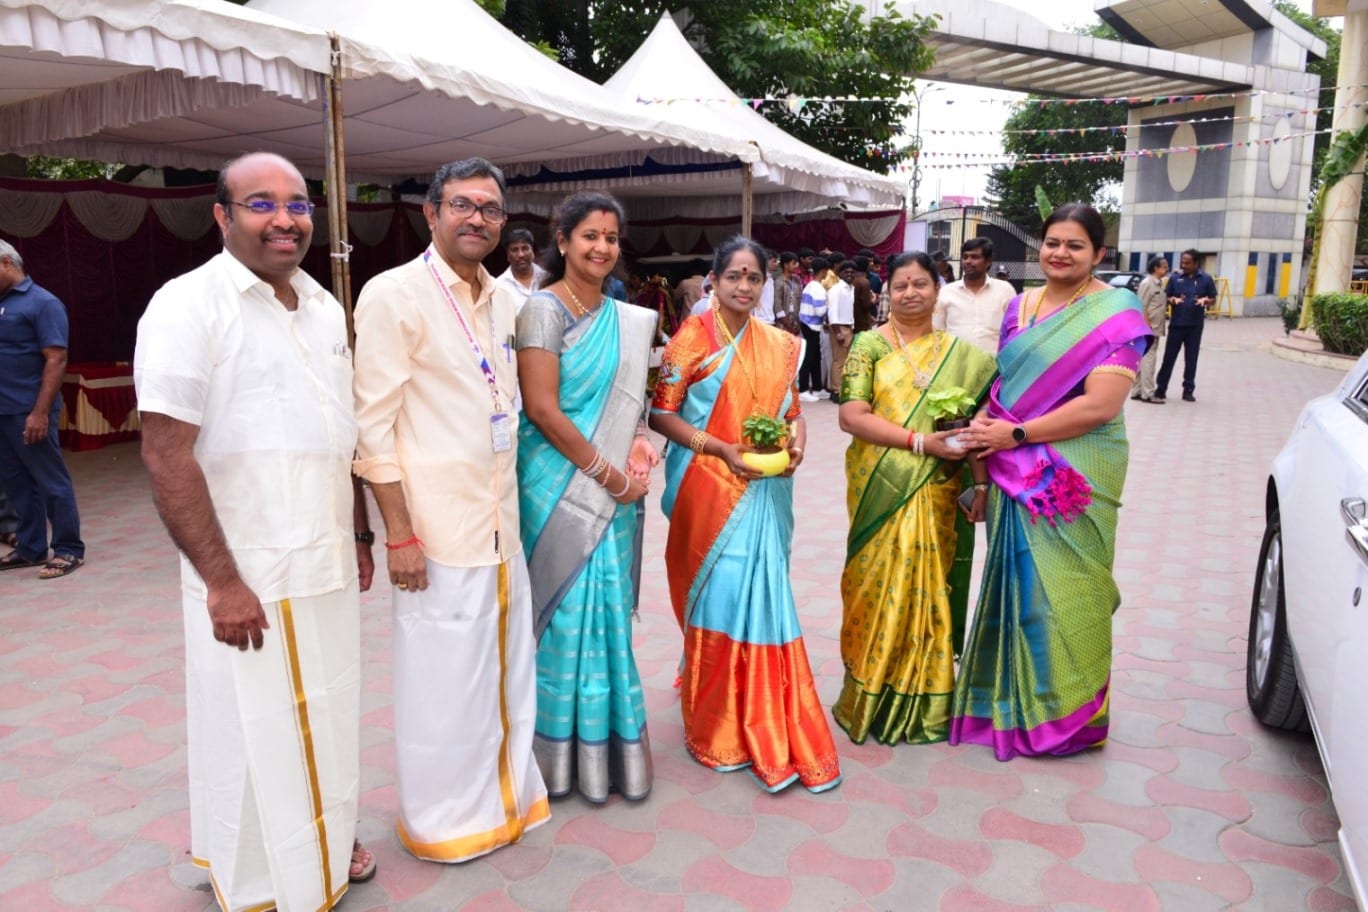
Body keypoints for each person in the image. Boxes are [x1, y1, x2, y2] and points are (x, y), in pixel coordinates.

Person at [135, 152, 375, 911]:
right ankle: (279, 879)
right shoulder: (187, 304)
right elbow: (166, 453)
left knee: (327, 715)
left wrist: (360, 534)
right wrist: (222, 580)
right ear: (222, 215)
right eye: (261, 204)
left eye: (297, 205)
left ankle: (328, 842)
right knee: (253, 724)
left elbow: (338, 435)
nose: (284, 220)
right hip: (249, 573)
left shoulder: (324, 306)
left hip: (325, 559)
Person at [352, 158, 548, 860]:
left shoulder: (506, 300)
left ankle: (505, 801)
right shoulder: (393, 294)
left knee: (503, 674)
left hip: (500, 524)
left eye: (490, 209)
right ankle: (441, 822)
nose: (477, 219)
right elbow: (372, 429)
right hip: (436, 533)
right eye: (462, 204)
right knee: (442, 685)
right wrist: (398, 534)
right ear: (431, 213)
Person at [952, 204, 1152, 761]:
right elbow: (1007, 386)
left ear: (1099, 254)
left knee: (1072, 587)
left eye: (1075, 245)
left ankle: (1071, 718)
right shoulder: (1021, 306)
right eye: (1052, 243)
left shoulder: (1115, 311)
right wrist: (987, 433)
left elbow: (1100, 405)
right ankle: (1012, 705)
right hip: (1011, 466)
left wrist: (1014, 434)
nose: (1060, 253)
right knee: (1020, 585)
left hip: (1077, 463)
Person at [649, 235, 842, 793]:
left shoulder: (778, 343)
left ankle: (756, 707)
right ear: (714, 280)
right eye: (733, 275)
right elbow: (661, 415)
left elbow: (791, 413)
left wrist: (797, 448)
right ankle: (716, 717)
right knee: (722, 595)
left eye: (753, 277)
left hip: (766, 489)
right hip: (707, 487)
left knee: (762, 596)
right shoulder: (690, 338)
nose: (743, 286)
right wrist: (719, 450)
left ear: (763, 284)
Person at [516, 190, 660, 803]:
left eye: (611, 237)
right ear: (563, 240)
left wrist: (640, 441)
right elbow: (543, 410)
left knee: (607, 613)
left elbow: (632, 405)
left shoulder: (624, 316)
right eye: (590, 236)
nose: (602, 247)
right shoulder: (541, 311)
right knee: (565, 612)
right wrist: (610, 476)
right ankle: (552, 761)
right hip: (555, 485)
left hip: (610, 486)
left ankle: (607, 754)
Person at [833, 252, 997, 745]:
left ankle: (928, 699)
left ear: (937, 289)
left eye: (920, 283)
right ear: (888, 292)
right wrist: (920, 442)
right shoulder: (868, 345)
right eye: (900, 285)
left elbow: (975, 427)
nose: (910, 293)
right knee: (875, 583)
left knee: (930, 585)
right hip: (880, 486)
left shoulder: (961, 355)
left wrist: (981, 485)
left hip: (939, 488)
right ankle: (870, 692)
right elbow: (851, 416)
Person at [0, 240, 85, 579]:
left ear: (7, 263)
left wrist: (39, 412)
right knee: (17, 484)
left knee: (51, 482)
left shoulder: (43, 303)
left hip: (29, 410)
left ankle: (68, 549)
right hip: (3, 411)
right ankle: (31, 548)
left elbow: (56, 358)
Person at [933, 237, 1016, 356]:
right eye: (965, 257)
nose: (968, 261)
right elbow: (938, 332)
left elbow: (1013, 331)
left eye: (974, 257)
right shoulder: (946, 292)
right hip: (957, 363)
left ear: (988, 261)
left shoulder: (1005, 290)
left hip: (995, 364)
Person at [1154, 249, 1216, 403]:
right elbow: (1167, 296)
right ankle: (1161, 389)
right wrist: (1172, 300)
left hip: (1195, 326)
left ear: (1196, 263)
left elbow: (1213, 298)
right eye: (1182, 262)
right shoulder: (1175, 278)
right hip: (1177, 324)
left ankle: (1188, 390)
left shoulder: (1206, 279)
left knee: (1191, 358)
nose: (1184, 265)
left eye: (1187, 263)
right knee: (1169, 358)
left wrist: (1206, 301)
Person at [1131, 257, 1169, 404]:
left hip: (1155, 326)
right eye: (1164, 266)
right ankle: (1148, 393)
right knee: (1149, 360)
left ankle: (1137, 391)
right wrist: (1147, 326)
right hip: (1149, 328)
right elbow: (1142, 305)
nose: (1167, 269)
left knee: (1144, 358)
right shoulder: (1148, 283)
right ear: (1155, 268)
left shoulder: (1159, 283)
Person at [797, 256, 830, 400]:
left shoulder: (810, 285)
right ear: (823, 271)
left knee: (816, 357)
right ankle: (803, 389)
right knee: (809, 357)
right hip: (812, 325)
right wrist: (829, 306)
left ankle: (817, 388)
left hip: (808, 324)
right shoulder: (818, 289)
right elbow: (820, 311)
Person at [495, 227, 549, 311]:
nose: (521, 255)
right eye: (514, 250)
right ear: (508, 255)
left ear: (533, 251)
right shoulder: (499, 286)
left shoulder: (547, 278)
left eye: (525, 248)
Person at [827, 261, 857, 401]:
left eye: (852, 272)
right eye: (846, 272)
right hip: (839, 327)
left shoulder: (851, 288)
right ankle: (836, 391)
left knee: (846, 361)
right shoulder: (836, 289)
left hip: (849, 327)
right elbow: (832, 312)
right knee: (838, 361)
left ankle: (842, 388)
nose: (850, 275)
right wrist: (838, 332)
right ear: (840, 274)